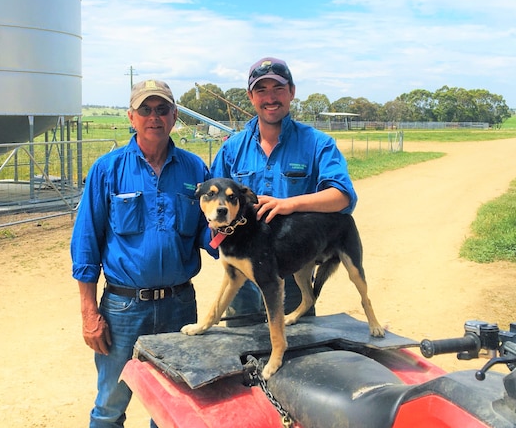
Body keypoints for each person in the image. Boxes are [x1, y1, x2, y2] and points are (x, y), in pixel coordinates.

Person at [71, 79, 215, 428]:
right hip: (123, 310)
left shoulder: (195, 170)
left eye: (162, 109)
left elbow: (208, 233)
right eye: (146, 110)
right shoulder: (108, 170)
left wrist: (241, 232)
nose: (155, 117)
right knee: (109, 405)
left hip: (179, 307)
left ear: (174, 116)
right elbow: (87, 240)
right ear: (131, 117)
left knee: (172, 408)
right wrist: (90, 312)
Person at [210, 57, 358, 325]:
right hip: (241, 281)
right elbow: (210, 204)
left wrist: (290, 204)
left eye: (278, 89)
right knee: (236, 355)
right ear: (250, 96)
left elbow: (342, 197)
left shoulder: (317, 144)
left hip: (291, 269)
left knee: (298, 359)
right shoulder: (232, 149)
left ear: (291, 92)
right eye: (261, 90)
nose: (270, 98)